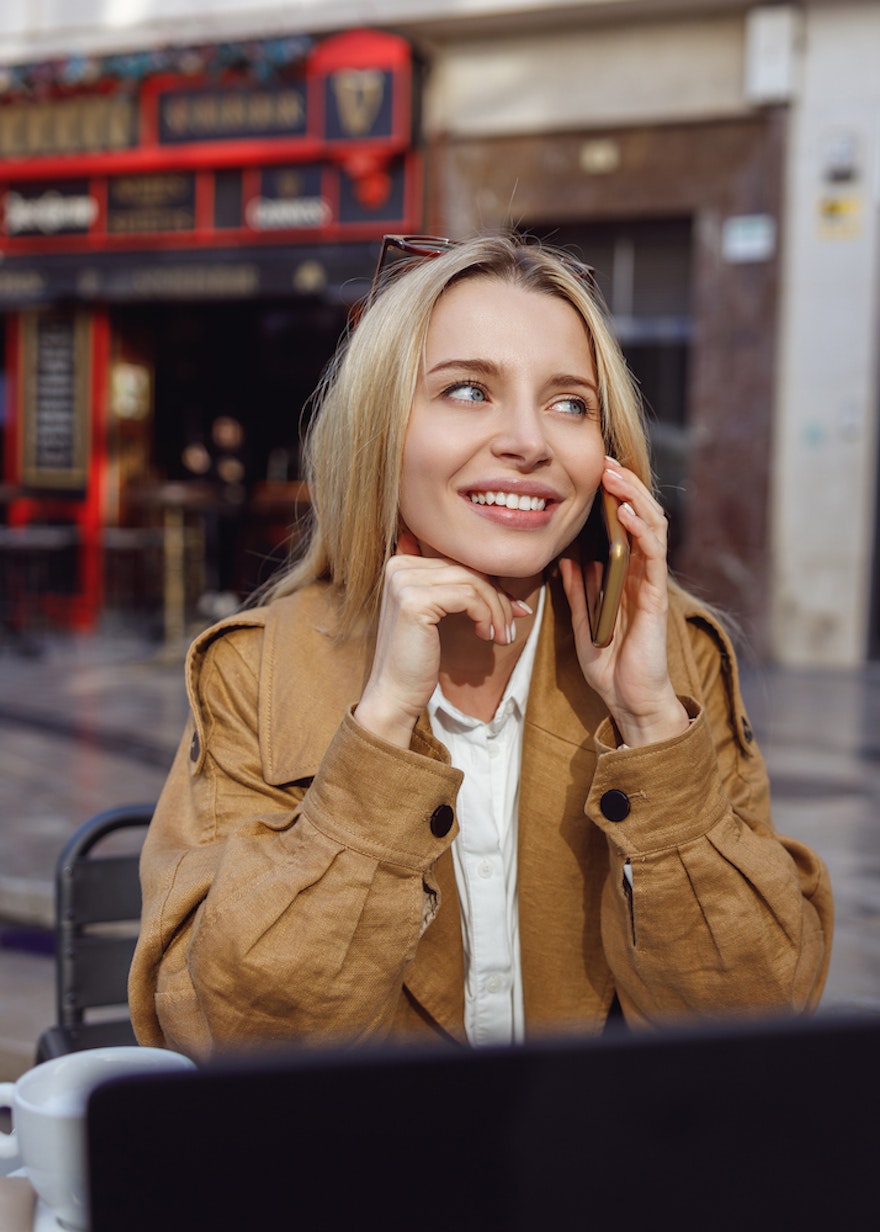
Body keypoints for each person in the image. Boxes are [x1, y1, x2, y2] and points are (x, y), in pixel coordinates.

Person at [129, 232, 833, 1058]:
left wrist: (650, 726)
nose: (529, 441)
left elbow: (761, 1013)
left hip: (602, 1169)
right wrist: (382, 725)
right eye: (468, 390)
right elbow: (227, 1036)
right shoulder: (254, 670)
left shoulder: (678, 665)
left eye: (571, 404)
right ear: (378, 433)